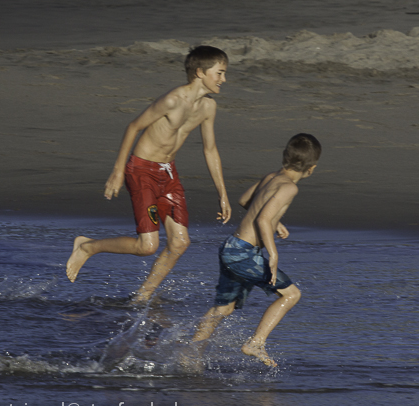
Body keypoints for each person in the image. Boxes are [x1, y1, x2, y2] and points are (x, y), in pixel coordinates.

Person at [65, 45, 232, 304]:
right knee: (148, 246)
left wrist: (223, 194)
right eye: (219, 73)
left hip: (168, 173)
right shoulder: (172, 100)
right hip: (142, 171)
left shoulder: (208, 107)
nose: (223, 79)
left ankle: (143, 296)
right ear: (200, 72)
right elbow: (133, 127)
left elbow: (210, 150)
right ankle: (88, 246)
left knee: (179, 243)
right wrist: (118, 171)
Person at [190, 133, 321, 367]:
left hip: (232, 247)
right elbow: (262, 220)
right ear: (311, 168)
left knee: (224, 308)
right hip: (243, 254)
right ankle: (256, 343)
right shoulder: (289, 188)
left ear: (285, 157)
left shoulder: (272, 176)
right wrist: (273, 254)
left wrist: (275, 220)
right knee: (292, 295)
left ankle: (190, 356)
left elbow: (245, 200)